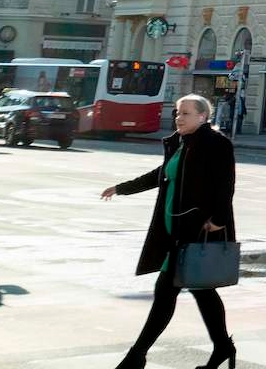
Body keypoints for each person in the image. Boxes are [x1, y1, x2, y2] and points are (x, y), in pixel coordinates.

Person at [101, 94, 237, 369]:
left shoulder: (216, 144)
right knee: (203, 291)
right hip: (173, 229)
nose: (179, 117)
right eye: (177, 112)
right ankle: (223, 347)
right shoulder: (180, 143)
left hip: (198, 230)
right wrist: (122, 188)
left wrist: (220, 220)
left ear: (202, 117)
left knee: (166, 291)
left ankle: (136, 356)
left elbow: (226, 184)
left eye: (186, 113)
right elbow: (161, 174)